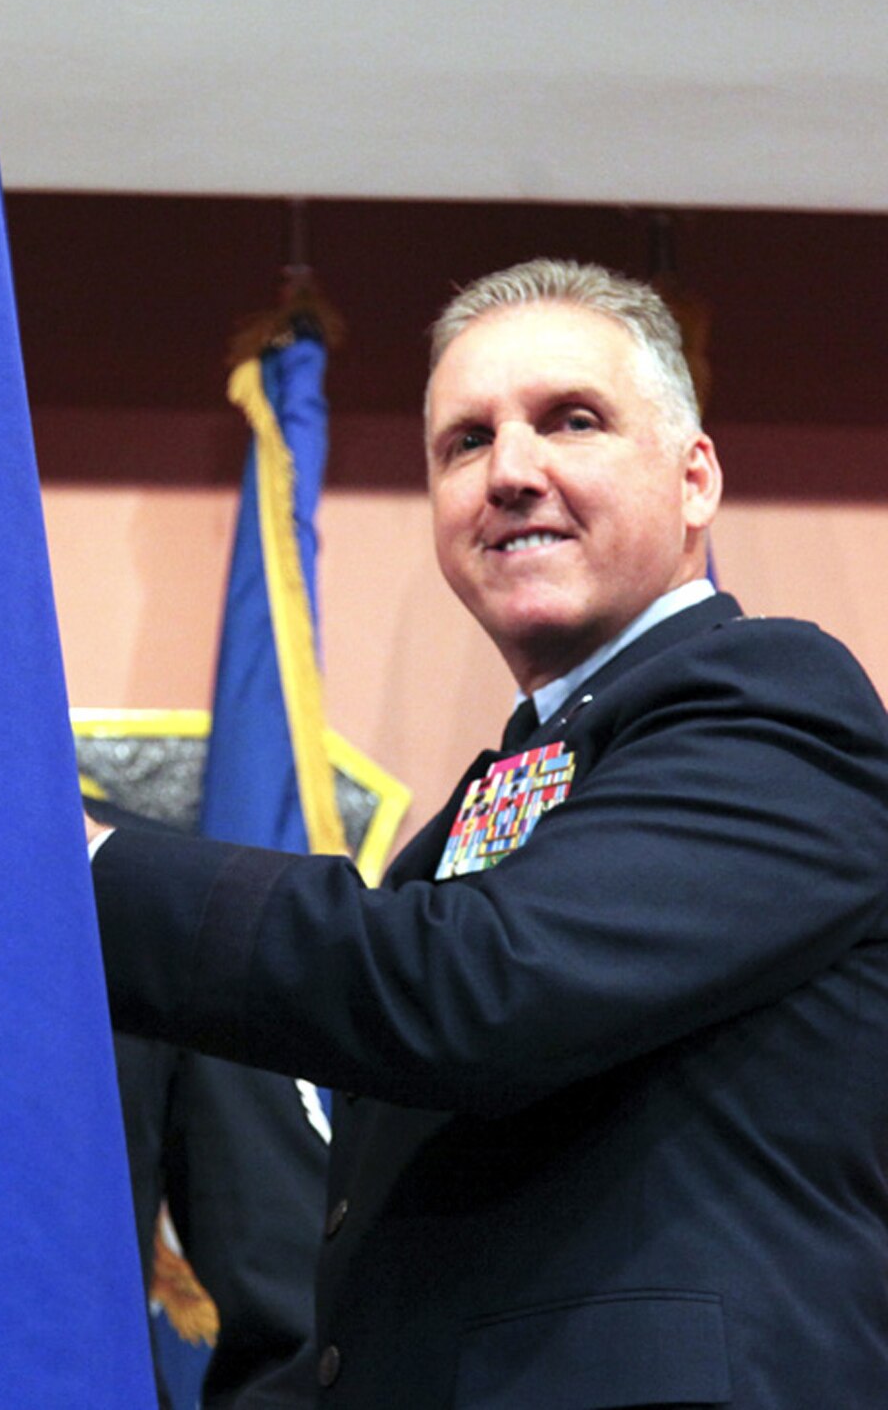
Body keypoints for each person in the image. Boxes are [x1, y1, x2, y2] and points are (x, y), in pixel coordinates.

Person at [90, 258, 888, 1406]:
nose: (509, 472)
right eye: (464, 442)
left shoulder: (772, 704)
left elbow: (470, 990)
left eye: (570, 420)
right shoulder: (484, 811)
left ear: (693, 477)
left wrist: (82, 866)